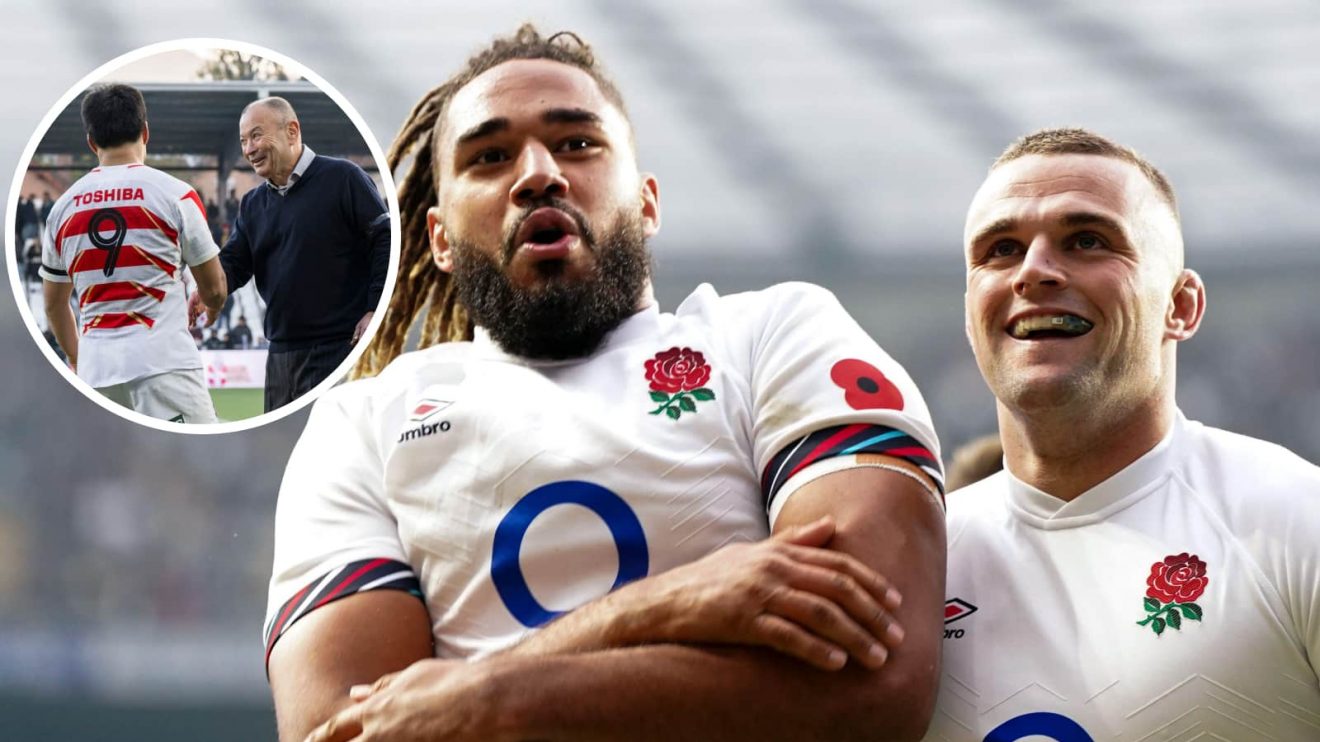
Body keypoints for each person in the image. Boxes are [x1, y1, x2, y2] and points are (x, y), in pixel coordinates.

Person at [266, 25, 947, 742]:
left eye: (577, 144)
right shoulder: (362, 424)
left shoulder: (775, 338)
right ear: (437, 237)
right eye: (490, 156)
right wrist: (655, 609)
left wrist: (484, 700)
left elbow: (878, 677)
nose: (538, 173)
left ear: (647, 203)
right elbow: (341, 733)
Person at [925, 128, 1320, 740]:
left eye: (1086, 240)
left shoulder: (1295, 520)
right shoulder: (914, 562)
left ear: (1181, 306)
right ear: (971, 315)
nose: (1033, 272)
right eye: (1000, 250)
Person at [40, 83, 226, 424]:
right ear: (145, 132)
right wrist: (210, 304)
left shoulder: (61, 210)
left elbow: (53, 304)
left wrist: (78, 359)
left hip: (95, 373)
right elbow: (214, 287)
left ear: (91, 142)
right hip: (164, 365)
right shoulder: (176, 195)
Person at [190, 96, 389, 412]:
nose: (249, 149)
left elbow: (385, 240)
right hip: (281, 355)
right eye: (243, 141)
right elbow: (235, 263)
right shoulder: (253, 203)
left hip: (339, 347)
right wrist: (208, 289)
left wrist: (374, 308)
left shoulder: (343, 178)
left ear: (292, 131)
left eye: (256, 135)